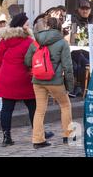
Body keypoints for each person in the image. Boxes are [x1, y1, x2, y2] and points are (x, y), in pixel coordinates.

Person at [25, 17, 74, 149]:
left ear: (47, 26)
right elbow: (68, 67)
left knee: (39, 110)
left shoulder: (37, 41)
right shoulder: (62, 43)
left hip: (38, 80)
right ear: (59, 27)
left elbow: (27, 61)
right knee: (65, 105)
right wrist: (70, 86)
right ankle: (67, 135)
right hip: (55, 81)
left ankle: (37, 140)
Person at [0, 13, 37, 146]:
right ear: (21, 26)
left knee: (7, 109)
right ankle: (38, 133)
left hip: (7, 78)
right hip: (24, 78)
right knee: (33, 106)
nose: (29, 27)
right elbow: (32, 61)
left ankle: (6, 137)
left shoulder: (4, 40)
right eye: (27, 24)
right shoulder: (29, 41)